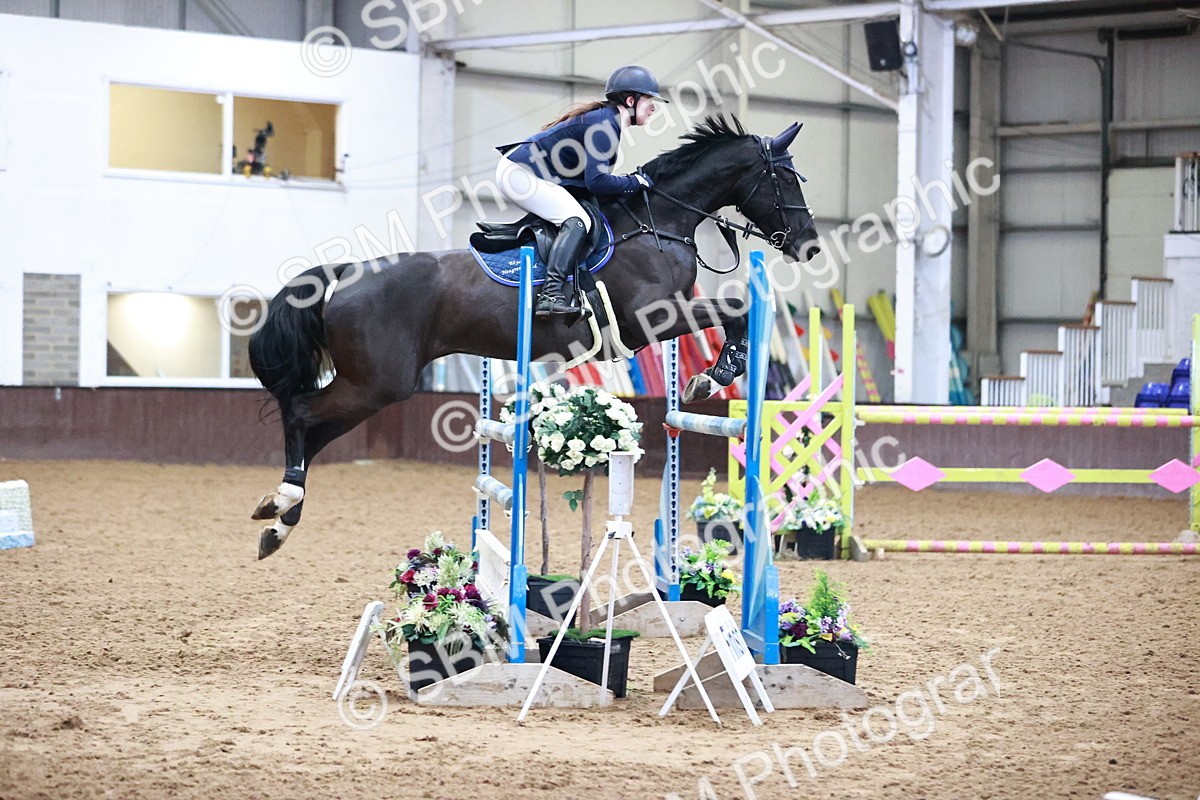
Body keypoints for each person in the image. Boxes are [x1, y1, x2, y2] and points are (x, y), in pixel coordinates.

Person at [495, 65, 666, 319]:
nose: (653, 108)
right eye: (648, 100)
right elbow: (597, 182)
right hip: (520, 176)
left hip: (528, 173)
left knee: (585, 215)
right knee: (577, 221)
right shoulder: (605, 124)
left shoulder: (608, 121)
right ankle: (550, 295)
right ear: (631, 100)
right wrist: (634, 181)